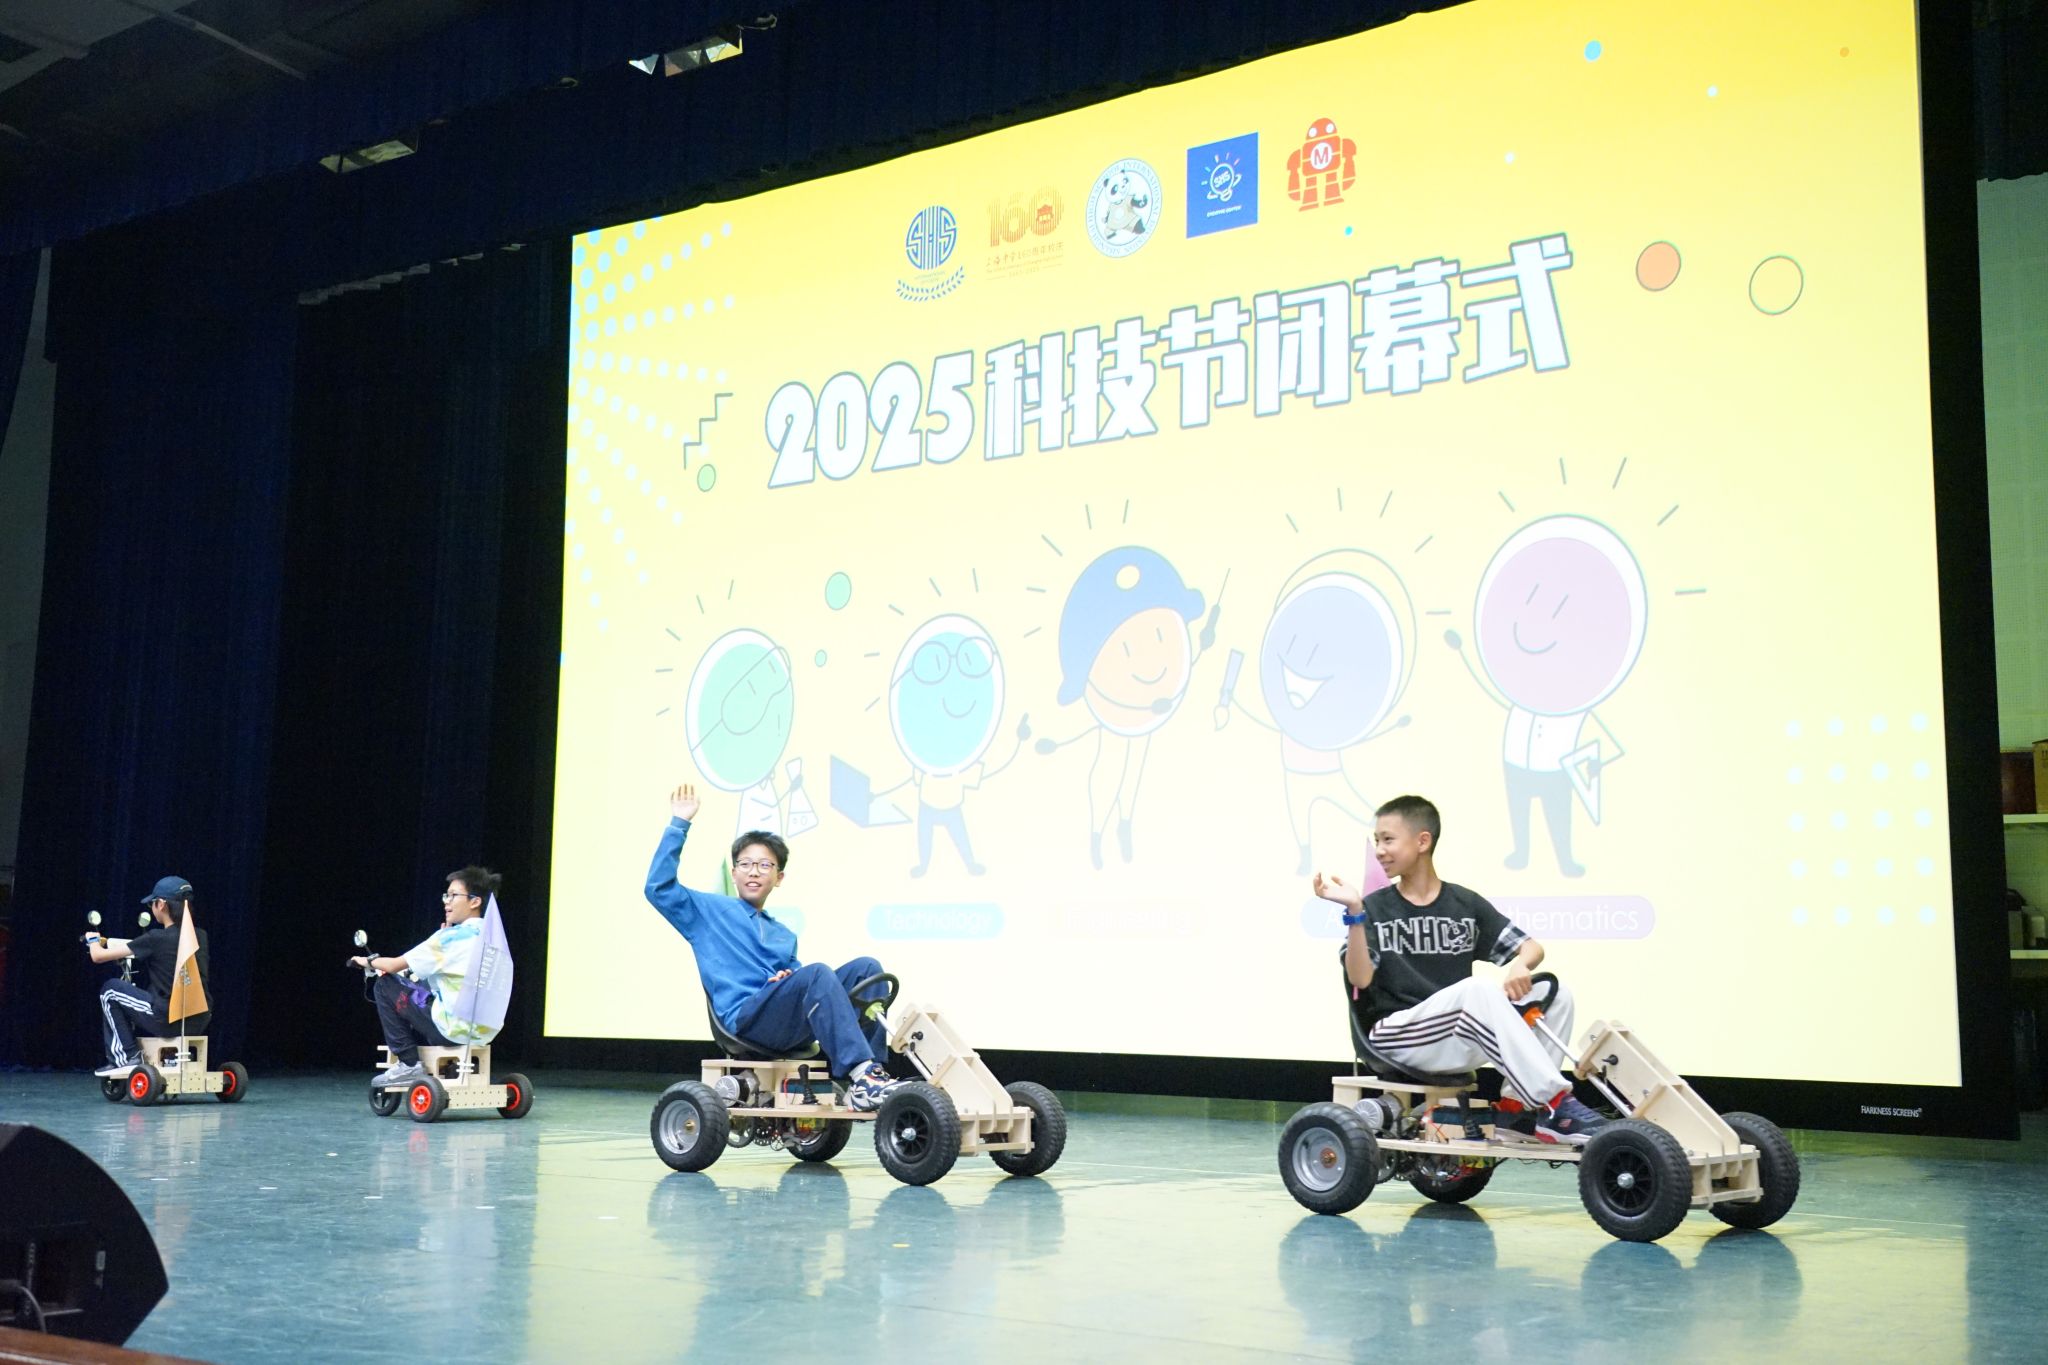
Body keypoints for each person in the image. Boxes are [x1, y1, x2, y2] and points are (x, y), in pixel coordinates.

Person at [1313, 794, 1609, 1145]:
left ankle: (1516, 1110)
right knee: (1478, 989)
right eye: (1377, 841)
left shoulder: (1464, 903)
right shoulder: (1374, 908)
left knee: (1555, 995)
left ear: (1422, 841)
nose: (1379, 850)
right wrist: (1354, 912)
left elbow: (1532, 948)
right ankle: (1555, 1103)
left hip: (1455, 1032)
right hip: (1395, 1036)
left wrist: (1520, 964)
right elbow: (1360, 978)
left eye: (1388, 839)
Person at [646, 783, 906, 1111]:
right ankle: (862, 1075)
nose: (754, 872)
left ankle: (870, 1074)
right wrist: (679, 823)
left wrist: (786, 979)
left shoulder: (783, 934)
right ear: (734, 872)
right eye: (745, 864)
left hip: (781, 1020)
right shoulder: (708, 911)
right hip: (746, 1020)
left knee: (867, 969)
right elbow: (658, 888)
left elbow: (801, 984)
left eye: (765, 865)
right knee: (816, 974)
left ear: (779, 877)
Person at [350, 866, 504, 1087]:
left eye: (453, 895)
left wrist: (366, 961)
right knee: (422, 982)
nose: (446, 902)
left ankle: (408, 1064)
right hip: (485, 1032)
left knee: (384, 985)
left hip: (452, 1031)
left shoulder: (450, 938)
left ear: (474, 901)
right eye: (446, 895)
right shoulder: (494, 939)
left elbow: (393, 965)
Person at [87, 875, 212, 1078]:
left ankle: (127, 1058)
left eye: (152, 903)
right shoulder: (201, 936)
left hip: (169, 1019)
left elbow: (98, 956)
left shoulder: (155, 938)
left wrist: (92, 940)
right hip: (199, 1018)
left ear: (161, 904)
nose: (152, 908)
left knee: (110, 991)